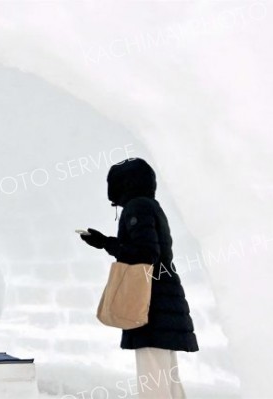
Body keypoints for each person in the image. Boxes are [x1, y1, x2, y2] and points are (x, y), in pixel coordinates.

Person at [80, 158, 198, 399]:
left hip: (150, 304)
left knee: (152, 380)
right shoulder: (151, 206)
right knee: (168, 378)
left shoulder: (137, 207)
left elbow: (145, 254)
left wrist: (106, 243)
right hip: (164, 302)